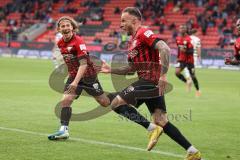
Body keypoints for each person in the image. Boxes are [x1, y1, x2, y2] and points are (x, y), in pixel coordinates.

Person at [101, 7, 201, 159]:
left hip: (149, 80)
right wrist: (111, 70)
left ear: (134, 21)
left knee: (115, 103)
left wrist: (163, 75)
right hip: (149, 83)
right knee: (161, 121)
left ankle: (150, 129)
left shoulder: (143, 33)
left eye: (123, 21)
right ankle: (193, 151)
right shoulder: (132, 42)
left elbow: (165, 48)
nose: (120, 24)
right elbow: (131, 69)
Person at [48, 16, 110, 140]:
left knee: (104, 103)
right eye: (63, 26)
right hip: (73, 75)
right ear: (59, 29)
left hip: (88, 76)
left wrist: (76, 82)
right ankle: (63, 130)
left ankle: (120, 99)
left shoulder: (78, 41)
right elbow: (74, 58)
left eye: (68, 25)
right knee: (66, 100)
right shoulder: (60, 43)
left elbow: (83, 62)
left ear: (72, 27)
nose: (65, 27)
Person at [175, 25, 201, 97]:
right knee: (177, 73)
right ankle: (187, 82)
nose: (180, 29)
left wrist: (185, 50)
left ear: (186, 30)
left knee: (193, 76)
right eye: (180, 28)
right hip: (182, 60)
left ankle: (198, 90)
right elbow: (179, 49)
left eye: (182, 28)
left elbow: (191, 51)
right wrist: (178, 57)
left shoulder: (189, 39)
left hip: (190, 61)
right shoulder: (178, 38)